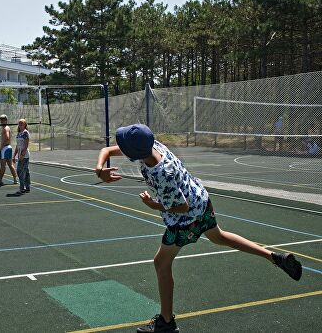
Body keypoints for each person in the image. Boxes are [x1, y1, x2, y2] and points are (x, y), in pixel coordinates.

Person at [95, 124, 302, 333]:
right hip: (201, 200)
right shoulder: (153, 146)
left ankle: (166, 323)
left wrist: (154, 204)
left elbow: (180, 207)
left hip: (186, 219)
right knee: (219, 237)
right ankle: (274, 257)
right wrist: (99, 168)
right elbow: (108, 150)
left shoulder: (161, 173)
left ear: (132, 153)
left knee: (161, 263)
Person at [0, 114, 18, 186]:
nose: (1, 121)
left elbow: (7, 138)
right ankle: (15, 179)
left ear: (6, 120)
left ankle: (0, 180)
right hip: (9, 147)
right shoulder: (7, 127)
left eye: (3, 120)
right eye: (1, 120)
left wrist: (1, 147)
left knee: (3, 165)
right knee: (10, 164)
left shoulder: (5, 128)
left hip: (5, 148)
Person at [13, 118, 30, 194]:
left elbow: (26, 145)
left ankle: (22, 188)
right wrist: (14, 155)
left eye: (22, 123)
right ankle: (28, 186)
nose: (20, 124)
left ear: (25, 124)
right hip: (20, 155)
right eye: (19, 123)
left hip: (25, 156)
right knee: (25, 171)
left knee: (20, 171)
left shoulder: (26, 133)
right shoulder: (19, 133)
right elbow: (17, 145)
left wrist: (22, 155)